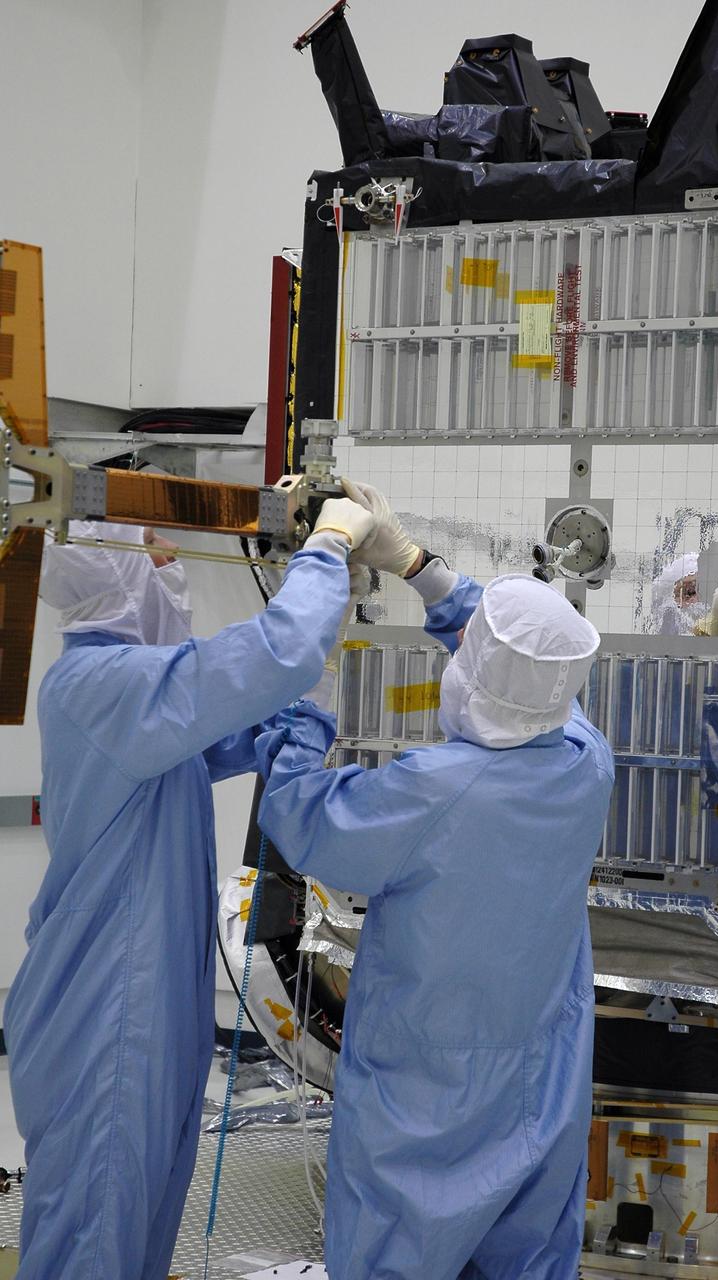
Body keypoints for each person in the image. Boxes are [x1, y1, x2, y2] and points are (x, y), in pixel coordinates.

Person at [3, 499, 375, 1280]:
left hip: (137, 1013)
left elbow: (253, 718)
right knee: (93, 1244)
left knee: (130, 1236)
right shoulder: (109, 684)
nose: (172, 557)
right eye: (152, 547)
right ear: (110, 569)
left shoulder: (134, 697)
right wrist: (327, 548)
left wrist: (320, 675)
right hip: (103, 1019)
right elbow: (277, 655)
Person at [254, 480, 615, 1280]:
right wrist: (414, 563)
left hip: (425, 1096)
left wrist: (314, 662)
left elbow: (294, 811)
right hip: (542, 1081)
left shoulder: (432, 790)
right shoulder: (585, 762)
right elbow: (525, 669)